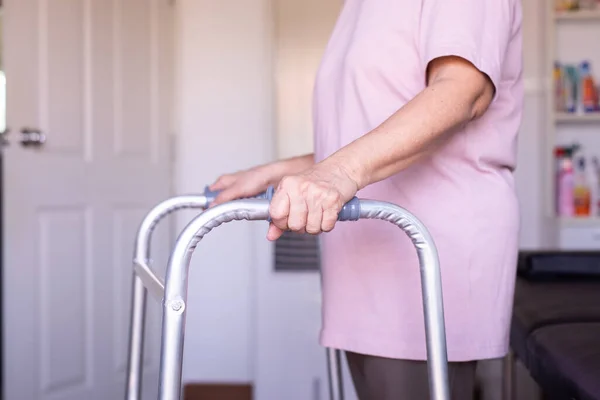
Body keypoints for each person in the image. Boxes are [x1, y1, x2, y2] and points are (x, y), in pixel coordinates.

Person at [209, 0, 523, 398]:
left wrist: (336, 172)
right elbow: (366, 130)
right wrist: (277, 171)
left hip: (427, 245)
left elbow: (462, 91)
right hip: (366, 250)